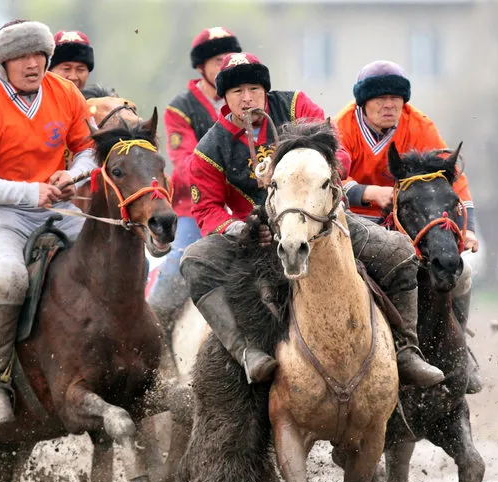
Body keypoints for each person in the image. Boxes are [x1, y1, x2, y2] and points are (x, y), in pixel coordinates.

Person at [180, 52, 445, 389]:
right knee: (194, 262)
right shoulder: (210, 148)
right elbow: (206, 210)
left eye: (254, 89)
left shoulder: (295, 107)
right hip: (259, 234)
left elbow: (337, 152)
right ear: (225, 97)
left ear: (265, 90)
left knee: (399, 250)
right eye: (237, 92)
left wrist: (314, 174)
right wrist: (237, 228)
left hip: (323, 221)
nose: (247, 99)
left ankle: (406, 352)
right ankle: (245, 352)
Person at [0, 19, 97, 426]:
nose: (33, 64)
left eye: (38, 54)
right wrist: (29, 193)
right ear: (2, 63)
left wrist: (75, 175)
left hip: (56, 208)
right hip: (1, 214)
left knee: (104, 259)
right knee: (10, 278)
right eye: (21, 56)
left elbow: (87, 148)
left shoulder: (64, 93)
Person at [334, 60, 481, 392]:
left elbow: (451, 178)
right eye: (380, 98)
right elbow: (329, 179)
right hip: (354, 222)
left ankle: (461, 355)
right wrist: (369, 193)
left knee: (463, 276)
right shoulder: (340, 127)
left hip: (407, 224)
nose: (390, 105)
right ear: (362, 102)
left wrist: (467, 226)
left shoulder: (420, 125)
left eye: (396, 98)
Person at [149, 27, 242, 356]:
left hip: (246, 209)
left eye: (229, 60)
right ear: (201, 67)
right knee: (176, 268)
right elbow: (184, 165)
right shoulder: (181, 107)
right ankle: (155, 344)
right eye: (218, 60)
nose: (225, 66)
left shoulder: (247, 98)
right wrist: (234, 171)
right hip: (194, 209)